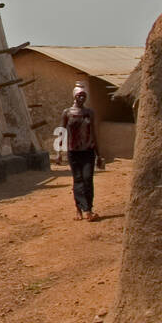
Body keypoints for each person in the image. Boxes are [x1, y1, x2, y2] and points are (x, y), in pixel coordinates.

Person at [61, 84, 102, 221]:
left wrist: (99, 154)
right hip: (73, 152)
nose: (82, 97)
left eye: (84, 95)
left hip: (88, 151)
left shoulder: (89, 113)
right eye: (79, 95)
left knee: (87, 179)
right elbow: (62, 132)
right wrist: (58, 153)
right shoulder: (67, 112)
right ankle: (79, 209)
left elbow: (94, 133)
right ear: (74, 96)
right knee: (78, 180)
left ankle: (88, 209)